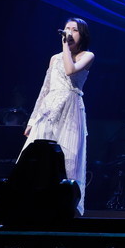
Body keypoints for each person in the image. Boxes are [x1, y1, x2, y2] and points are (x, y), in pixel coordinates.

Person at [21, 19, 94, 214]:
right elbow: (45, 89)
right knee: (36, 156)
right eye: (67, 28)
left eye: (74, 30)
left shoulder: (87, 55)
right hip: (49, 109)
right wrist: (32, 120)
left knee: (68, 157)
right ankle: (30, 203)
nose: (69, 32)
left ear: (82, 35)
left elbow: (70, 71)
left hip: (71, 110)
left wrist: (65, 47)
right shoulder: (54, 59)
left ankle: (65, 207)